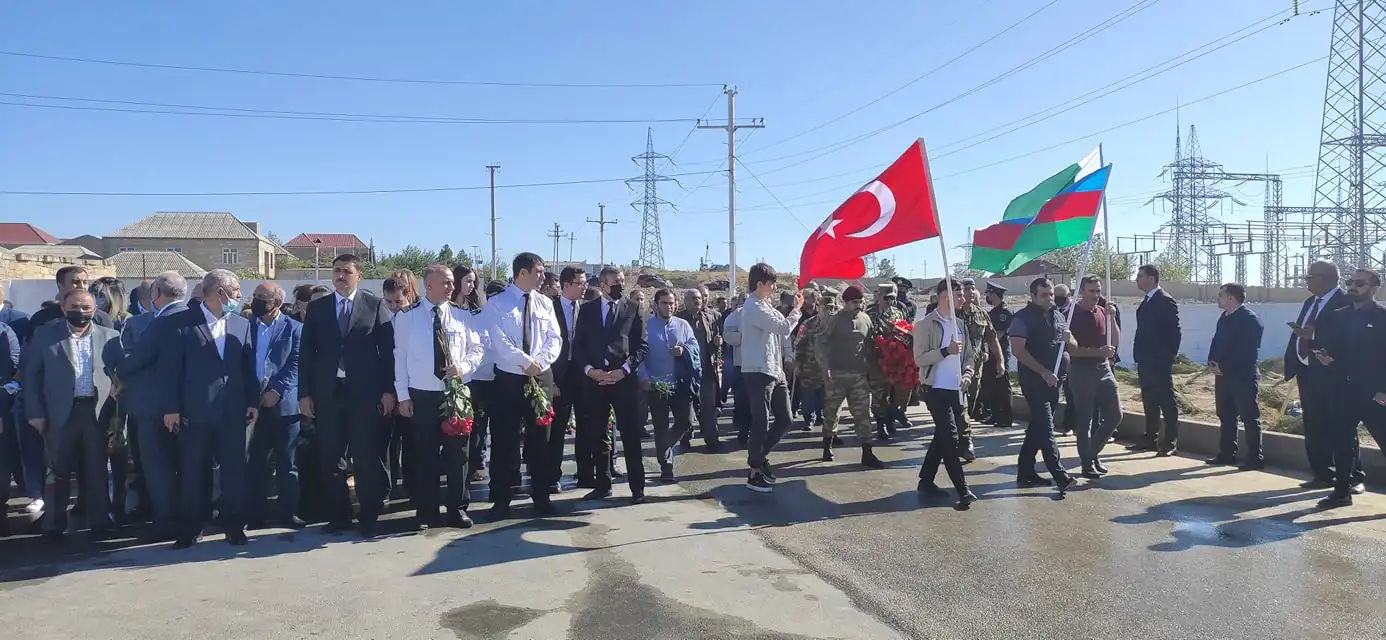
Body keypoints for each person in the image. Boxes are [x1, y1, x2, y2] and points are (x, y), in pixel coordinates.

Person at [158, 270, 258, 548]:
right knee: (193, 472)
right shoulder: (181, 323)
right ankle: (191, 527)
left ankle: (234, 526)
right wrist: (171, 408)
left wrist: (252, 401)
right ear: (219, 293)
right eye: (236, 290)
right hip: (195, 411)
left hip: (233, 411)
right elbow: (170, 370)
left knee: (234, 472)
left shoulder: (242, 324)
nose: (240, 296)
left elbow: (248, 368)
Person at [299, 254, 396, 537]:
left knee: (365, 456)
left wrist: (388, 390)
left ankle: (369, 514)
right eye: (337, 271)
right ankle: (339, 515)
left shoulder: (374, 305)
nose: (340, 276)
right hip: (328, 394)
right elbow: (306, 353)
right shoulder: (319, 308)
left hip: (364, 395)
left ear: (358, 276)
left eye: (346, 271)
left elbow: (387, 353)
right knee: (331, 457)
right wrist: (305, 394)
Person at [23, 289, 123, 541]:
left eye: (87, 307)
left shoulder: (110, 337)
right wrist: (35, 413)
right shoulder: (45, 335)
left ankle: (100, 520)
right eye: (75, 306)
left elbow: (120, 373)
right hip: (58, 414)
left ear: (95, 309)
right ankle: (54, 524)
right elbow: (31, 376)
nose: (81, 311)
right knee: (57, 471)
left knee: (98, 469)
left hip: (96, 412)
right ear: (63, 307)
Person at [395, 265, 484, 530]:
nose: (451, 287)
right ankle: (427, 510)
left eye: (451, 283)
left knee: (459, 455)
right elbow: (399, 358)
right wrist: (402, 396)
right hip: (422, 395)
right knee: (425, 455)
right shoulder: (407, 317)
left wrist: (464, 367)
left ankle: (457, 508)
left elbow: (477, 349)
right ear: (428, 285)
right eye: (445, 282)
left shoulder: (462, 315)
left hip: (455, 393)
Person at [476, 253, 563, 519]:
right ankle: (502, 498)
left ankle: (541, 496)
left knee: (541, 440)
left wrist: (540, 362)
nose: (543, 276)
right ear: (522, 273)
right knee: (505, 440)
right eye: (538, 271)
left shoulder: (545, 303)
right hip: (509, 378)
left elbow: (554, 338)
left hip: (540, 376)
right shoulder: (497, 303)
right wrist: (525, 361)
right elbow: (498, 340)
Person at [115, 271, 188, 541]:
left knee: (158, 468)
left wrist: (118, 372)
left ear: (157, 293)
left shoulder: (161, 322)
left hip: (154, 407)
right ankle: (187, 518)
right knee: (184, 466)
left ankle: (166, 522)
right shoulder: (194, 316)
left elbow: (137, 360)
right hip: (186, 405)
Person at [573, 266, 648, 504]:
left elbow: (641, 346)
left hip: (623, 382)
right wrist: (590, 371)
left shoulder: (633, 308)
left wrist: (624, 371)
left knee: (630, 434)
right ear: (603, 285)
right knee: (598, 435)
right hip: (596, 382)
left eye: (623, 281)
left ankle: (637, 488)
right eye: (616, 281)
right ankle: (602, 484)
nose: (621, 285)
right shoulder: (587, 311)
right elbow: (579, 345)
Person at [1312, 268, 1386, 509]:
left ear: (1375, 287)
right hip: (1343, 389)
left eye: (1360, 283)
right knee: (1342, 443)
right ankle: (1342, 492)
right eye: (1350, 282)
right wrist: (1326, 357)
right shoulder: (1338, 316)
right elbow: (1334, 348)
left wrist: (1383, 389)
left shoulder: (1382, 317)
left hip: (1373, 393)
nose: (1353, 286)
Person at [1284, 260, 1359, 491]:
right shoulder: (1310, 302)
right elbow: (1304, 333)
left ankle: (1353, 477)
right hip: (1308, 373)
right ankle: (1322, 474)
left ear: (1326, 278)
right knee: (1314, 425)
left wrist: (1314, 334)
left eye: (1310, 276)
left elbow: (1349, 338)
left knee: (1340, 426)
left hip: (1334, 375)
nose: (1306, 280)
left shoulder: (1345, 302)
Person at [1007, 277, 1077, 493]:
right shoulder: (1022, 318)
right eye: (1044, 295)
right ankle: (1060, 475)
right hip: (1034, 381)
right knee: (1046, 428)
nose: (1050, 298)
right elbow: (1018, 351)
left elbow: (1072, 346)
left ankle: (1025, 471)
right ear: (1033, 296)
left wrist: (1069, 339)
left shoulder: (1057, 315)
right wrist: (1044, 372)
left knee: (1037, 428)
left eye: (1051, 294)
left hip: (1056, 381)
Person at [245, 282, 305, 529]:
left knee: (287, 463)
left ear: (277, 303)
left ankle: (287, 512)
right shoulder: (245, 326)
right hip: (252, 405)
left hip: (284, 406)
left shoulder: (295, 329)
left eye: (263, 297)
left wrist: (277, 390)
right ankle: (255, 513)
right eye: (256, 296)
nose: (257, 300)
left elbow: (296, 362)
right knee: (254, 462)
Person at [913, 278, 977, 508]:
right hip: (935, 389)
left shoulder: (960, 324)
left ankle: (926, 480)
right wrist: (945, 350)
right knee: (950, 437)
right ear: (944, 296)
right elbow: (919, 358)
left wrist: (968, 374)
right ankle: (963, 490)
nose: (963, 298)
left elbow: (969, 356)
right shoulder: (925, 325)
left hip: (956, 391)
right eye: (958, 294)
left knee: (942, 436)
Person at [739, 263, 800, 493]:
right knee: (761, 421)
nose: (774, 287)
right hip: (758, 370)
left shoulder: (767, 306)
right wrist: (797, 311)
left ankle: (760, 457)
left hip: (775, 370)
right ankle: (754, 471)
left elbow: (780, 335)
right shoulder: (753, 306)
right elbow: (783, 327)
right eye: (770, 283)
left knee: (785, 418)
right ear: (759, 284)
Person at [1065, 275, 1124, 478]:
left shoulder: (1102, 311)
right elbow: (1072, 350)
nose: (1096, 295)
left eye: (1098, 291)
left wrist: (1112, 317)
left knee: (1115, 415)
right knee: (1085, 420)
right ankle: (1088, 462)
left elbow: (1115, 341)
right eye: (1092, 291)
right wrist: (1099, 351)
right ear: (1082, 291)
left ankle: (1091, 454)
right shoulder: (1072, 314)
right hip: (1082, 370)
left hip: (1104, 369)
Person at [640, 289, 700, 482]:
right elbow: (638, 355)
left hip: (680, 384)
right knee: (660, 426)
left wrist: (684, 350)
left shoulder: (683, 325)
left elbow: (695, 347)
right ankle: (666, 466)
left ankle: (664, 447)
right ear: (656, 305)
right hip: (656, 385)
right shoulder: (646, 326)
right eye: (665, 303)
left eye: (672, 303)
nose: (669, 306)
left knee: (687, 421)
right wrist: (643, 377)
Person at [818, 286, 881, 465]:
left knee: (862, 415)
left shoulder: (865, 319)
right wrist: (824, 367)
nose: (859, 305)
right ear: (845, 302)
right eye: (855, 302)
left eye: (861, 302)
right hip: (836, 375)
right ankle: (827, 445)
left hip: (858, 375)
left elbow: (869, 344)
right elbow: (820, 342)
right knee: (831, 412)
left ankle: (867, 453)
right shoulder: (834, 320)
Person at [1206, 282, 1265, 471]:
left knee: (1249, 416)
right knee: (1226, 415)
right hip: (1223, 376)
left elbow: (1246, 352)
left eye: (1221, 295)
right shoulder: (1224, 317)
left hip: (1242, 376)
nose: (1218, 298)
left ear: (1231, 297)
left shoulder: (1250, 320)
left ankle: (1255, 458)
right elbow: (1216, 341)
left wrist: (1226, 366)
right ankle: (1227, 454)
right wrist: (1212, 361)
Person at [1130, 264, 1182, 455]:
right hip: (1145, 359)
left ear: (1151, 278)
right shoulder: (1147, 301)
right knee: (1149, 400)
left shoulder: (1165, 300)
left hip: (1159, 360)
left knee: (1166, 400)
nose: (1136, 279)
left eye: (1140, 276)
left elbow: (1174, 331)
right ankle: (1150, 438)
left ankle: (1170, 442)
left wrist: (1168, 356)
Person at [550, 266, 586, 491]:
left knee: (586, 425)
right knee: (556, 429)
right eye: (579, 283)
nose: (584, 287)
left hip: (583, 375)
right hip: (558, 376)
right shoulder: (549, 308)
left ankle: (585, 473)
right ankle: (552, 475)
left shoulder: (588, 309)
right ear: (566, 285)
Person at [678, 288, 724, 453]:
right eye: (693, 298)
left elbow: (713, 342)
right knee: (686, 406)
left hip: (706, 370)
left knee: (709, 407)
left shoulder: (710, 317)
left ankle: (712, 439)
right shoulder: (678, 319)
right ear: (685, 301)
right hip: (686, 371)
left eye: (699, 298)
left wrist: (717, 343)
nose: (698, 301)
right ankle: (685, 438)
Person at [867, 283, 908, 439]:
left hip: (895, 360)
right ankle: (880, 424)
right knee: (878, 394)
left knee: (894, 392)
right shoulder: (870, 315)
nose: (890, 302)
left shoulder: (897, 313)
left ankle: (890, 419)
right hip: (877, 360)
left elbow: (904, 330)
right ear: (879, 297)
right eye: (887, 298)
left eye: (893, 298)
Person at [977, 281, 1014, 428]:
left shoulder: (1004, 312)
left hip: (1000, 353)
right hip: (991, 353)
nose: (987, 296)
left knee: (1003, 386)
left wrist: (985, 346)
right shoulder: (993, 312)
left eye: (989, 293)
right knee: (992, 385)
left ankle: (1006, 417)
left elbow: (996, 336)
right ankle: (995, 415)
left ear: (995, 294)